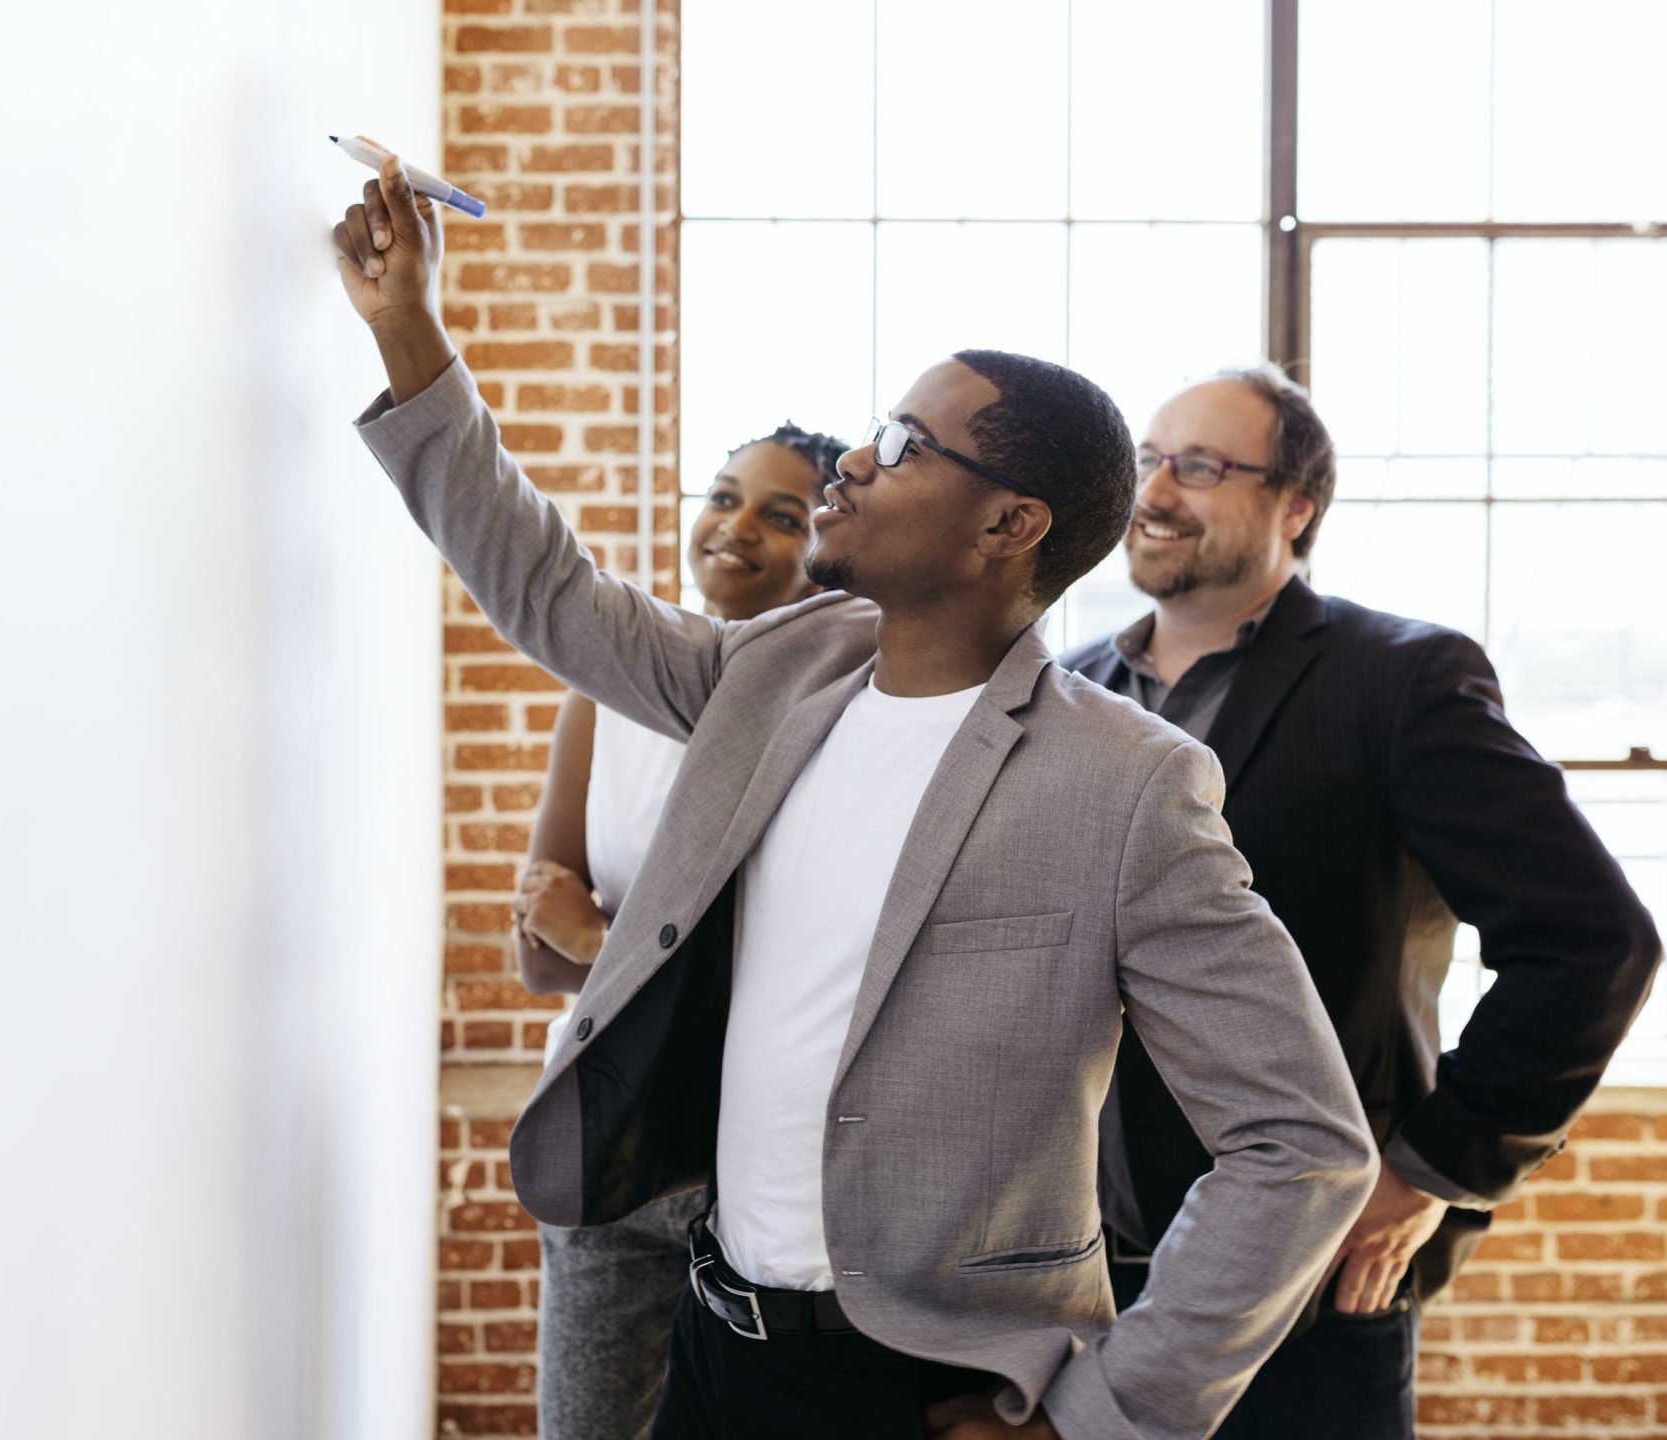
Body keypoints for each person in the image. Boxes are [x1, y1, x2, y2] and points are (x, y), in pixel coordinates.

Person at [332, 153, 1376, 1440]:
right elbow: (550, 593)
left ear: (1007, 527)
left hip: (926, 1390)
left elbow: (1302, 1143)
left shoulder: (1126, 784)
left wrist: (1098, 1417)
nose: (854, 463)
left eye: (902, 445)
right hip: (716, 1345)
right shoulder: (779, 671)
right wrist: (406, 327)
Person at [1061, 365, 1663, 1440]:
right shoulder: (1069, 694)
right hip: (1073, 1287)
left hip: (1305, 1287)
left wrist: (1432, 1168)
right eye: (1148, 461)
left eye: (1197, 466)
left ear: (1294, 506)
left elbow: (1592, 943)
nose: (1155, 491)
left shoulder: (1399, 678)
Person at [514, 424, 847, 1440]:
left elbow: (788, 965)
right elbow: (536, 947)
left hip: (761, 1165)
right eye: (722, 495)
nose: (734, 527)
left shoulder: (842, 717)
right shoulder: (604, 693)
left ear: (829, 551)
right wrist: (594, 940)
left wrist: (596, 937)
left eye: (781, 516)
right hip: (607, 1134)